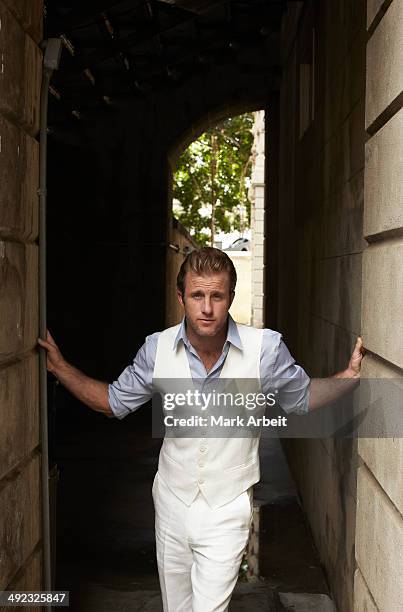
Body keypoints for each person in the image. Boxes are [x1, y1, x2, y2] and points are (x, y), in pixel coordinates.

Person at [38, 247, 364, 612]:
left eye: (216, 296)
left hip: (227, 507)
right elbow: (113, 401)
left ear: (229, 298)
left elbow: (301, 397)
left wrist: (346, 380)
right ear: (182, 298)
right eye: (197, 295)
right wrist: (61, 369)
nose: (207, 308)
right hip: (171, 502)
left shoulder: (265, 349)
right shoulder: (156, 349)